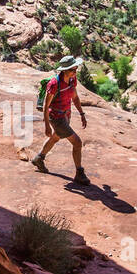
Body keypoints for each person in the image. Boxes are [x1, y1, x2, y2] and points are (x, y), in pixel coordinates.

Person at [31, 55, 90, 184]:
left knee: (55, 137)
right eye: (72, 69)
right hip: (56, 117)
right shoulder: (54, 84)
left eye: (75, 69)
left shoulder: (71, 80)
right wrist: (47, 125)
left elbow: (74, 98)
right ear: (64, 70)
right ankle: (79, 173)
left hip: (66, 114)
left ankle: (39, 158)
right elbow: (46, 106)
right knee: (77, 143)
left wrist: (82, 114)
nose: (75, 72)